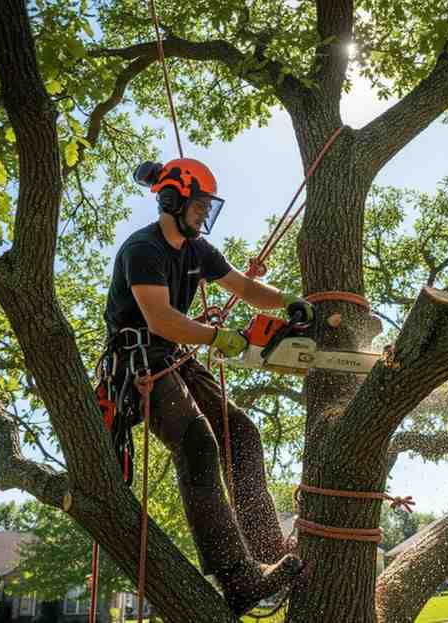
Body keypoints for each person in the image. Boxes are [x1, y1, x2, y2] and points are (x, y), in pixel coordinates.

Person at [103, 158, 311, 614]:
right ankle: (238, 579)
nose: (203, 216)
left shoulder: (198, 251)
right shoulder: (143, 249)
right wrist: (216, 336)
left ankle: (268, 553)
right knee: (197, 441)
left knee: (241, 432)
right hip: (139, 359)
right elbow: (159, 319)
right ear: (171, 199)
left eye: (206, 208)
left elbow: (244, 285)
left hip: (174, 354)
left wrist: (289, 300)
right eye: (198, 206)